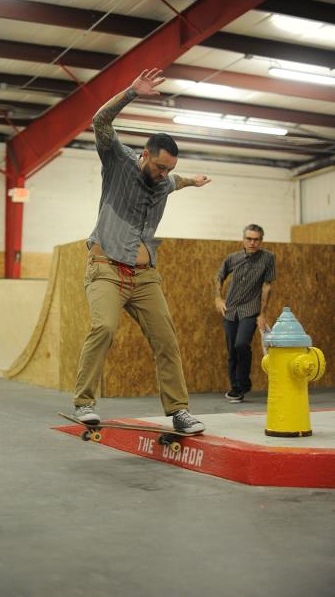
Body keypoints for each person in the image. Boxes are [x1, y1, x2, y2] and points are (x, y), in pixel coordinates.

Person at [73, 68, 211, 433]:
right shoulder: (117, 161)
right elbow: (99, 120)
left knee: (166, 338)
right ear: (146, 154)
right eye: (160, 166)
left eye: (170, 170)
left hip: (145, 277)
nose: (164, 174)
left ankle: (179, 411)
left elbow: (175, 182)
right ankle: (85, 402)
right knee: (103, 328)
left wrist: (193, 181)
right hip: (106, 268)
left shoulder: (166, 181)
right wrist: (131, 92)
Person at [214, 224, 275, 403]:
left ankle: (243, 383)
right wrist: (218, 298)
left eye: (256, 239)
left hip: (251, 310)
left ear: (261, 241)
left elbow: (267, 285)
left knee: (242, 344)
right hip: (231, 310)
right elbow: (218, 277)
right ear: (243, 239)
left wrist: (262, 314)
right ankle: (236, 388)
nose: (252, 242)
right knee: (232, 349)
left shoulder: (268, 258)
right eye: (249, 239)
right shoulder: (233, 258)